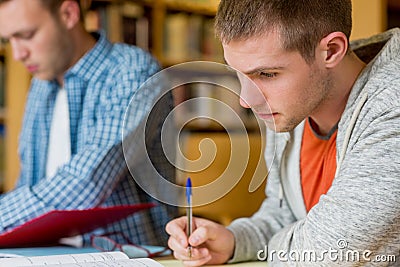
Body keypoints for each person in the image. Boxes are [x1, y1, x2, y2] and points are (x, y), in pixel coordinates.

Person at [166, 0, 400, 265]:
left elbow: (326, 253)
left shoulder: (392, 105)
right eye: (239, 76)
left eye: (266, 74)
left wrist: (284, 244)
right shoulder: (292, 107)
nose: (246, 100)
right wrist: (234, 241)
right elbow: (284, 216)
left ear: (331, 51)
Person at [0, 0, 176, 247]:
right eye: (8, 40)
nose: (18, 54)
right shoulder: (41, 84)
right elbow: (29, 182)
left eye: (27, 35)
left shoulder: (132, 71)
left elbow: (87, 181)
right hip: (46, 252)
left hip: (127, 255)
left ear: (68, 14)